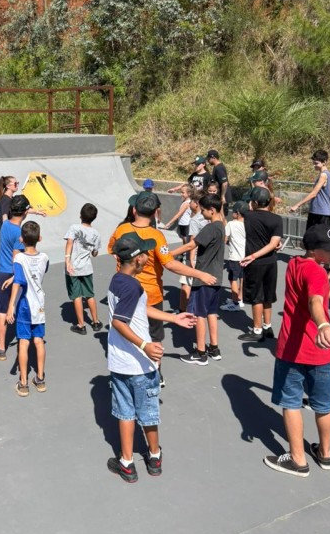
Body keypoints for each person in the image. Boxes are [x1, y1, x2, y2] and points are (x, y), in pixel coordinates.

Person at [263, 225, 330, 477]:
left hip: (291, 351)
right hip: (320, 353)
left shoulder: (296, 264)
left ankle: (298, 460)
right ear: (314, 250)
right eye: (329, 250)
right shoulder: (317, 272)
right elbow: (316, 300)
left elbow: (320, 293)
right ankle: (324, 454)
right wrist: (324, 324)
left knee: (292, 404)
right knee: (324, 406)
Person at [106, 232, 196, 482]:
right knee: (147, 412)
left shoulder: (118, 280)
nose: (148, 257)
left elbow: (138, 309)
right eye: (145, 253)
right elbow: (118, 322)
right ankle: (154, 456)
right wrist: (145, 344)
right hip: (139, 363)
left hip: (119, 362)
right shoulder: (133, 286)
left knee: (125, 412)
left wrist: (173, 317)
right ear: (136, 260)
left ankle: (127, 463)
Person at [108, 191, 217, 386]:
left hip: (124, 291)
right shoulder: (156, 236)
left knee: (126, 332)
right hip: (150, 294)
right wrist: (199, 274)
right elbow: (170, 264)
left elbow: (113, 251)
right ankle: (156, 373)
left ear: (134, 210)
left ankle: (128, 373)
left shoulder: (120, 230)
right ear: (156, 212)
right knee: (154, 336)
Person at [170, 195, 225, 365]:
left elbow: (190, 245)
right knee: (212, 313)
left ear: (212, 210)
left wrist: (169, 254)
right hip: (216, 278)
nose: (201, 213)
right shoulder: (221, 226)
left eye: (203, 210)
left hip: (204, 278)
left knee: (199, 314)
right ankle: (214, 348)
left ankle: (200, 352)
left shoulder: (210, 228)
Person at [6, 221, 49, 397]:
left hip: (24, 305)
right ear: (39, 238)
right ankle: (40, 378)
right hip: (39, 304)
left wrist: (11, 307)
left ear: (21, 239)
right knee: (38, 340)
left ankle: (23, 382)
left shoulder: (19, 258)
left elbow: (19, 282)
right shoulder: (45, 257)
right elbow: (37, 274)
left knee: (23, 342)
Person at [238, 187, 284, 342]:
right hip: (271, 262)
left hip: (255, 263)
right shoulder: (277, 219)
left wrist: (252, 256)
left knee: (256, 297)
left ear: (255, 202)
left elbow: (240, 208)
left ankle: (257, 330)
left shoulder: (249, 216)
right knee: (268, 295)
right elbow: (274, 244)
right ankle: (267, 326)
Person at [0, 194, 30, 361]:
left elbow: (4, 215)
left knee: (2, 310)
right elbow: (17, 258)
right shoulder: (20, 233)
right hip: (13, 274)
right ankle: (23, 342)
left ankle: (1, 348)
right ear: (26, 211)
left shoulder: (5, 225)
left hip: (2, 273)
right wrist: (16, 278)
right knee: (19, 307)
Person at [64, 203, 102, 334]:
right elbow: (94, 253)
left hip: (73, 267)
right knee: (89, 294)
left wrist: (67, 260)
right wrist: (93, 251)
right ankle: (96, 322)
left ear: (80, 215)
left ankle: (81, 325)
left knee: (77, 296)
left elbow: (69, 242)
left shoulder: (74, 228)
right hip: (87, 268)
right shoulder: (96, 234)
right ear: (94, 218)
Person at [289, 149, 330, 227]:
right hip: (322, 213)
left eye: (316, 163)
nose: (314, 165)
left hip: (320, 214)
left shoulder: (323, 175)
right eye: (313, 163)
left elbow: (313, 194)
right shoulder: (328, 174)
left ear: (324, 162)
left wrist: (297, 205)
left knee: (313, 237)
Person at [0, 175, 45, 242]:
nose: (17, 185)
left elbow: (24, 209)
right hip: (3, 234)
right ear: (8, 186)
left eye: (17, 183)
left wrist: (37, 212)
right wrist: (10, 232)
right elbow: (4, 217)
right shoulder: (6, 200)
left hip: (5, 232)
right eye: (15, 184)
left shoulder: (11, 198)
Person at [220, 201, 247, 312]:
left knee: (233, 279)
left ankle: (235, 303)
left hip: (235, 256)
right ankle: (240, 299)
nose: (232, 214)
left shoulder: (231, 224)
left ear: (238, 213)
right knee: (242, 277)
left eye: (233, 212)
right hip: (246, 256)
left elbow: (225, 239)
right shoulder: (248, 224)